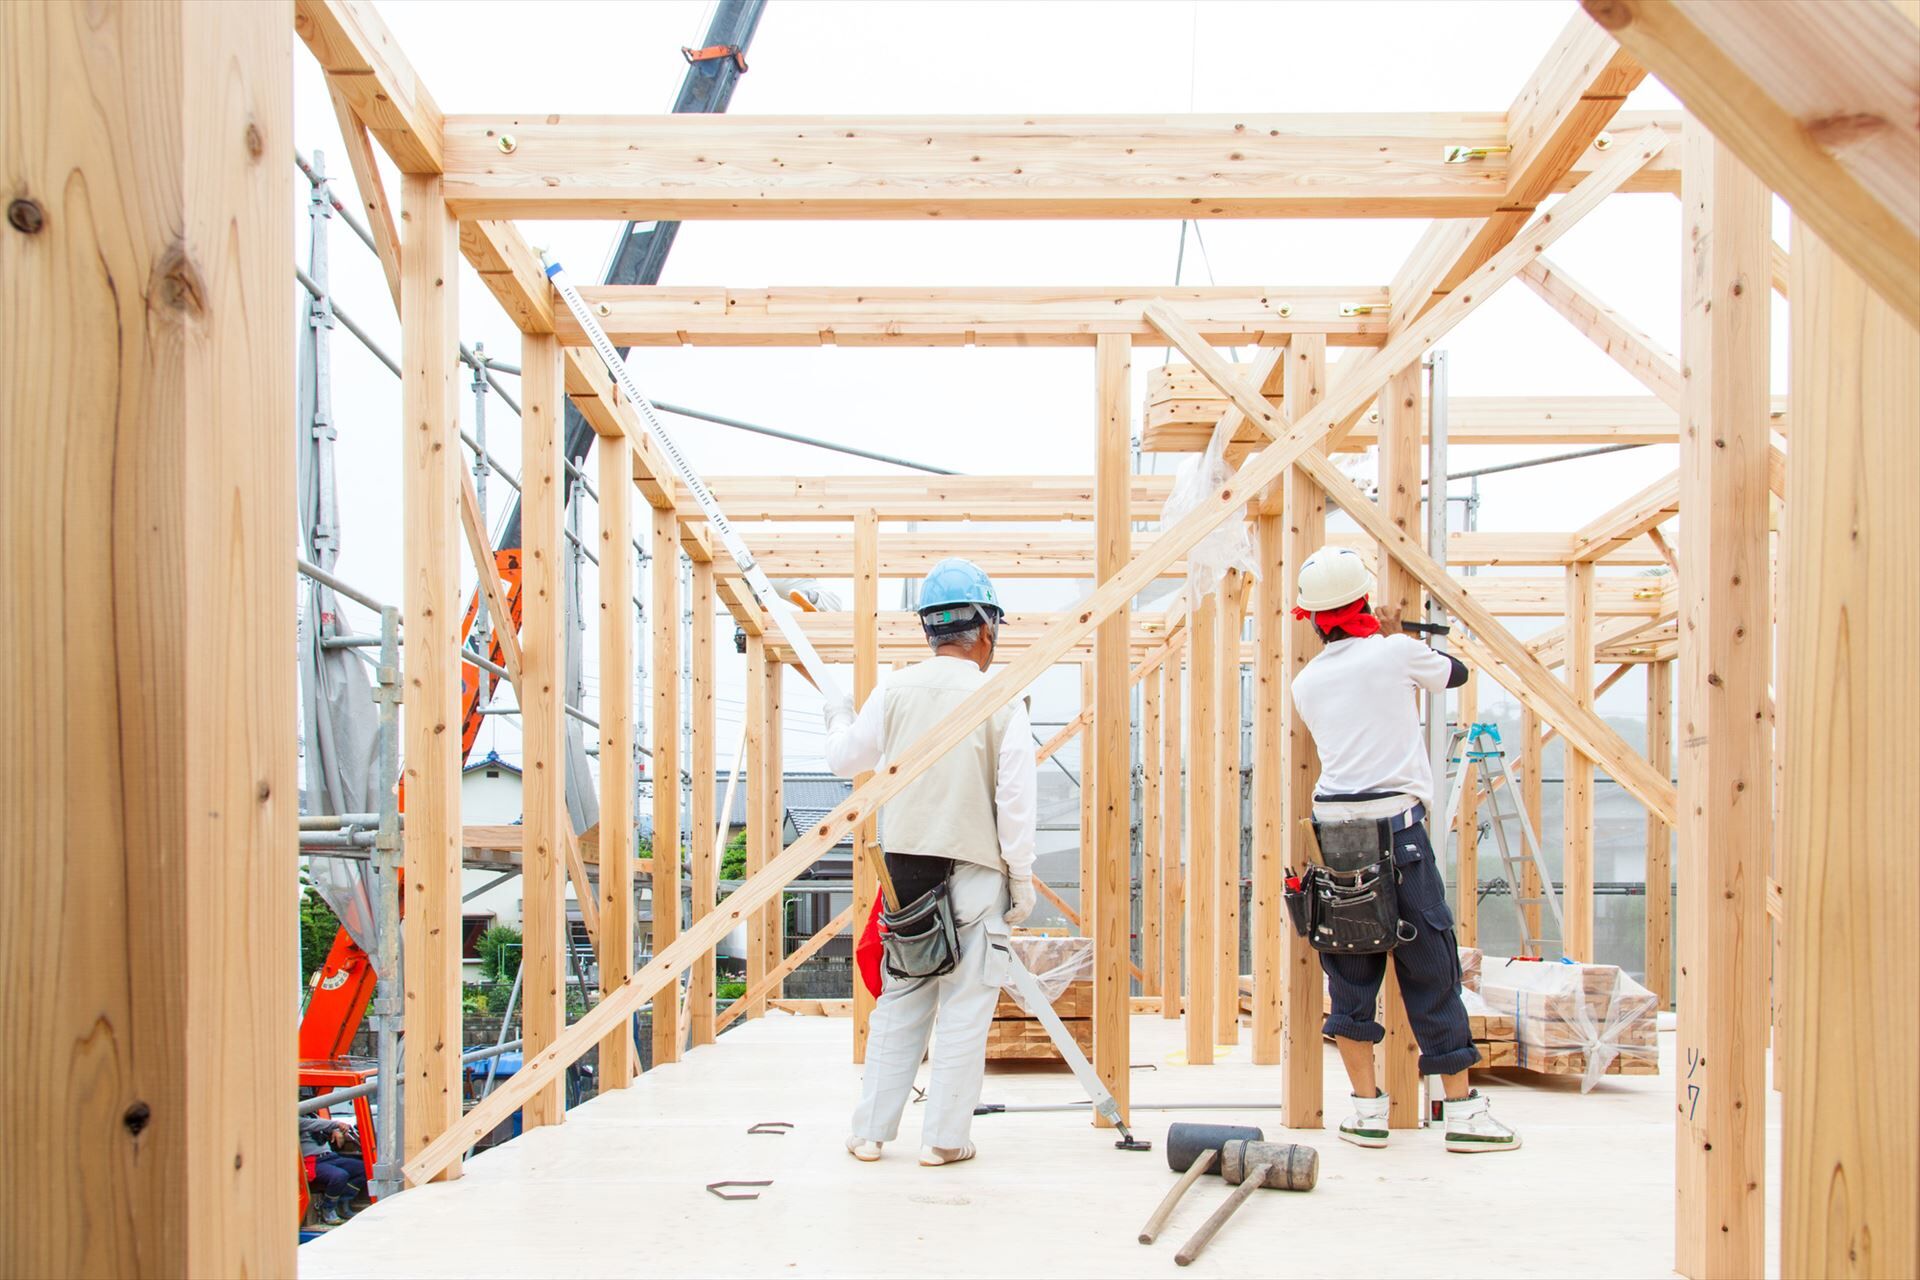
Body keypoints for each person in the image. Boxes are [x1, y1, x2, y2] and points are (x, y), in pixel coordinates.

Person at [1287, 545, 1519, 1154]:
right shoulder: (1394, 651)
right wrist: (1393, 633)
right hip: (1399, 829)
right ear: (1364, 602)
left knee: (1351, 966)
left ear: (1312, 618)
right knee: (1431, 968)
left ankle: (1367, 1113)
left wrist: (1381, 637)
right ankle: (1464, 1116)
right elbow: (1456, 675)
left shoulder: (1304, 681)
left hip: (1338, 836)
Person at [824, 557, 1037, 1168]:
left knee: (903, 1000)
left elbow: (845, 757)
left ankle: (869, 1133)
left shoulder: (893, 689)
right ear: (987, 628)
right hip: (974, 870)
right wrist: (1019, 881)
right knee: (966, 1006)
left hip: (906, 875)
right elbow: (1014, 801)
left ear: (930, 631)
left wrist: (838, 714)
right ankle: (944, 1140)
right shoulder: (1001, 697)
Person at [300, 1115, 367, 1224]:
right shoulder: (294, 1119)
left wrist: (335, 1130)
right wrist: (336, 1125)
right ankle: (328, 1208)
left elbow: (321, 1122)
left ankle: (342, 1202)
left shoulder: (312, 1115)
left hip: (330, 1157)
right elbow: (313, 1124)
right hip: (312, 1161)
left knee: (364, 1168)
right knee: (339, 1176)